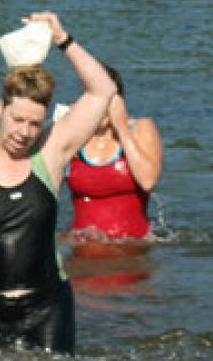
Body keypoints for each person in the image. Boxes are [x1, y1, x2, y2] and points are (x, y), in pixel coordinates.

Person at [0, 13, 115, 353]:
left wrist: (63, 39)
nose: (24, 132)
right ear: (0, 108)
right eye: (17, 119)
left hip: (47, 308)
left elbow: (103, 90)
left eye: (34, 123)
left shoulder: (51, 152)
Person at [68, 64, 163, 241]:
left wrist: (122, 128)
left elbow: (148, 181)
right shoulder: (74, 137)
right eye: (94, 100)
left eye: (106, 100)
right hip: (82, 249)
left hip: (132, 247)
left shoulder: (140, 128)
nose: (100, 108)